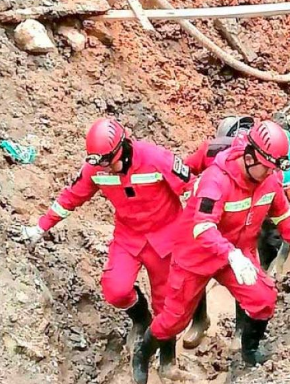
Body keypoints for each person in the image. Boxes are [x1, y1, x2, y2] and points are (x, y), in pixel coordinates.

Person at [132, 121, 290, 383]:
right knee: (173, 319)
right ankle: (143, 353)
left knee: (263, 299)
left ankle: (250, 352)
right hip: (197, 255)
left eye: (274, 168)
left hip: (238, 252)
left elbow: (283, 215)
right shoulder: (216, 180)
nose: (270, 173)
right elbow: (203, 226)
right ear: (250, 158)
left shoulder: (269, 179)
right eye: (267, 167)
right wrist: (231, 255)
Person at [15, 118, 194, 374]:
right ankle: (141, 319)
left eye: (108, 162)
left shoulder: (156, 158)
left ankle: (167, 358)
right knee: (115, 290)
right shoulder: (97, 168)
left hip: (166, 238)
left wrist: (200, 229)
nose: (105, 169)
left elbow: (193, 189)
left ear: (123, 148)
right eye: (99, 163)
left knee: (166, 305)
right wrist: (40, 227)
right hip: (128, 238)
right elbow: (71, 197)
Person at [179, 116, 290, 350]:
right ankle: (199, 320)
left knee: (250, 274)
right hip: (216, 226)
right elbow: (184, 171)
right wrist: (196, 191)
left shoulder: (275, 154)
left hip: (255, 216)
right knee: (196, 275)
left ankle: (242, 328)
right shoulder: (214, 151)